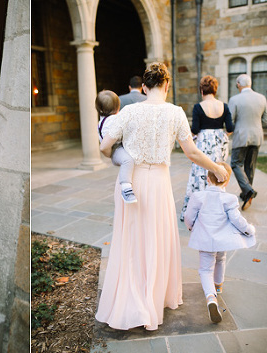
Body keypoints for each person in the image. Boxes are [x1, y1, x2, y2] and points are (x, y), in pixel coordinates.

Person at [95, 63, 227, 331]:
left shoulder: (129, 111)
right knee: (156, 239)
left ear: (144, 87)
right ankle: (154, 298)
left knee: (131, 239)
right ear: (167, 85)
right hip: (158, 183)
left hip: (131, 182)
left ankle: (131, 298)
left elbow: (104, 146)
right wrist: (216, 168)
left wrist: (117, 157)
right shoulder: (175, 113)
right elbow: (192, 152)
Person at [183, 162, 256, 323]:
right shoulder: (229, 199)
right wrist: (249, 230)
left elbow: (188, 216)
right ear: (227, 181)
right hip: (223, 240)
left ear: (208, 179)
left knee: (205, 269)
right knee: (221, 259)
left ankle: (211, 298)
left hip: (205, 239)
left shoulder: (198, 196)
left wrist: (191, 227)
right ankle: (218, 286)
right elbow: (237, 220)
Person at [180, 75, 234, 221]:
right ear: (215, 90)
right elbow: (230, 128)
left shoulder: (198, 107)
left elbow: (195, 129)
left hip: (204, 142)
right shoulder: (224, 106)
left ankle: (198, 209)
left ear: (202, 91)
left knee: (200, 173)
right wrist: (221, 135)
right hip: (219, 143)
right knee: (217, 173)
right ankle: (217, 209)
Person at [228, 74, 267, 211]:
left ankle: (248, 190)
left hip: (241, 136)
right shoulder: (262, 98)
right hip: (257, 136)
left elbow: (230, 120)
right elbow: (265, 120)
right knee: (250, 166)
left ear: (238, 84)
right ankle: (246, 194)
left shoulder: (234, 99)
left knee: (235, 163)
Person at [96, 90, 136, 203]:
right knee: (128, 160)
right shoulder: (113, 120)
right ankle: (126, 187)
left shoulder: (102, 120)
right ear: (118, 107)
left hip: (115, 149)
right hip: (117, 149)